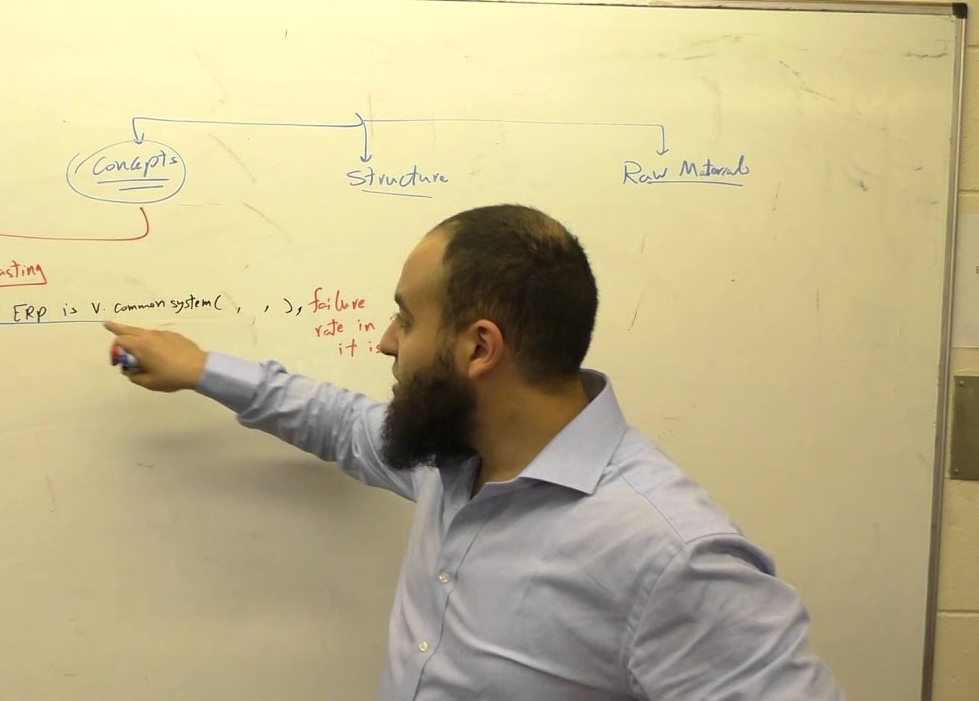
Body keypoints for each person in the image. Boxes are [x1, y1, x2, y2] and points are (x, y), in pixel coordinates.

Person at [102, 203, 845, 700]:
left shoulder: (667, 554)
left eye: (406, 318)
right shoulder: (452, 459)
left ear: (479, 347)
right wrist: (202, 369)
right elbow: (340, 423)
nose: (386, 341)